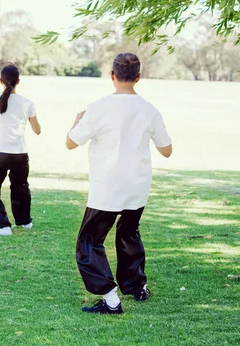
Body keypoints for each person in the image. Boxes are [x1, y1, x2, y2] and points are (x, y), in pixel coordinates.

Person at [66, 53, 173, 314]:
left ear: (112, 75)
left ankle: (111, 299)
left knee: (89, 242)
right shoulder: (149, 110)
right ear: (138, 77)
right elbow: (166, 150)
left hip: (108, 187)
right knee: (129, 234)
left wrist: (76, 123)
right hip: (137, 185)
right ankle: (137, 287)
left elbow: (71, 142)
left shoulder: (98, 108)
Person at [0, 63, 41, 236]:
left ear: (1, 81)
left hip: (0, 153)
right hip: (20, 153)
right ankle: (24, 222)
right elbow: (37, 130)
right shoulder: (27, 103)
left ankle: (1, 226)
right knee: (20, 186)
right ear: (18, 81)